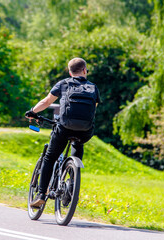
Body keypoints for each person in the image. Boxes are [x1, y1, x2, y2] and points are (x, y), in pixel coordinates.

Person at [25, 57, 101, 207]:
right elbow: (94, 108)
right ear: (85, 70)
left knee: (49, 158)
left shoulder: (63, 83)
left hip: (64, 128)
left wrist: (32, 111)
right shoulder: (93, 87)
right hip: (85, 130)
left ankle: (41, 194)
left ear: (69, 71)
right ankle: (72, 183)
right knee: (78, 145)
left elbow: (46, 102)